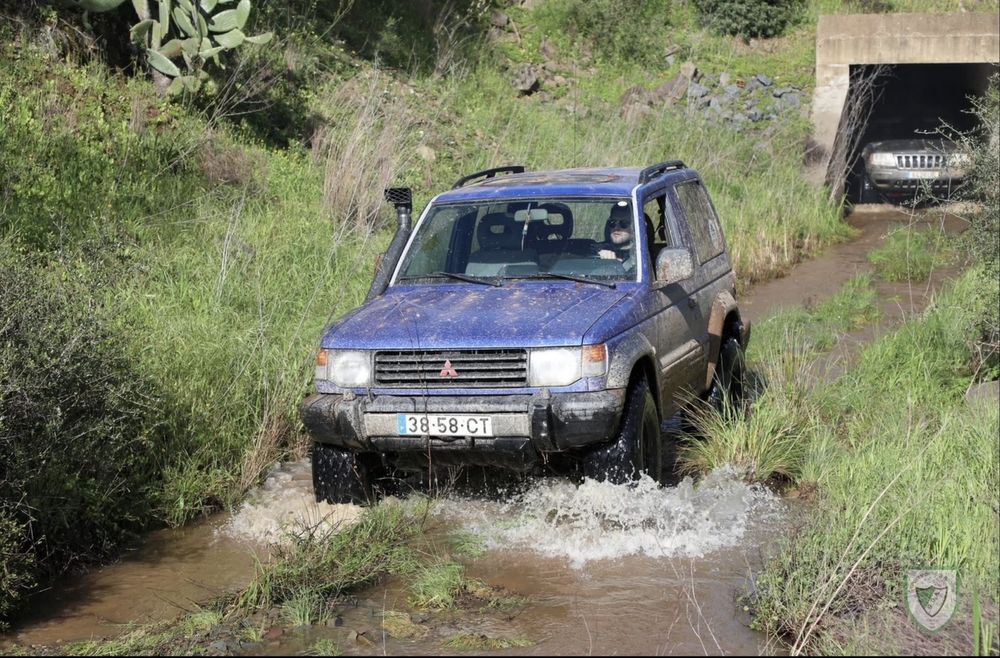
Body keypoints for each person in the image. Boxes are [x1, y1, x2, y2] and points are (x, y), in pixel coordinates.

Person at [597, 203, 636, 271]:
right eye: (613, 222)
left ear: (635, 227)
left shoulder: (640, 257)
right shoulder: (596, 251)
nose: (616, 228)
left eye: (624, 223)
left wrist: (613, 266)